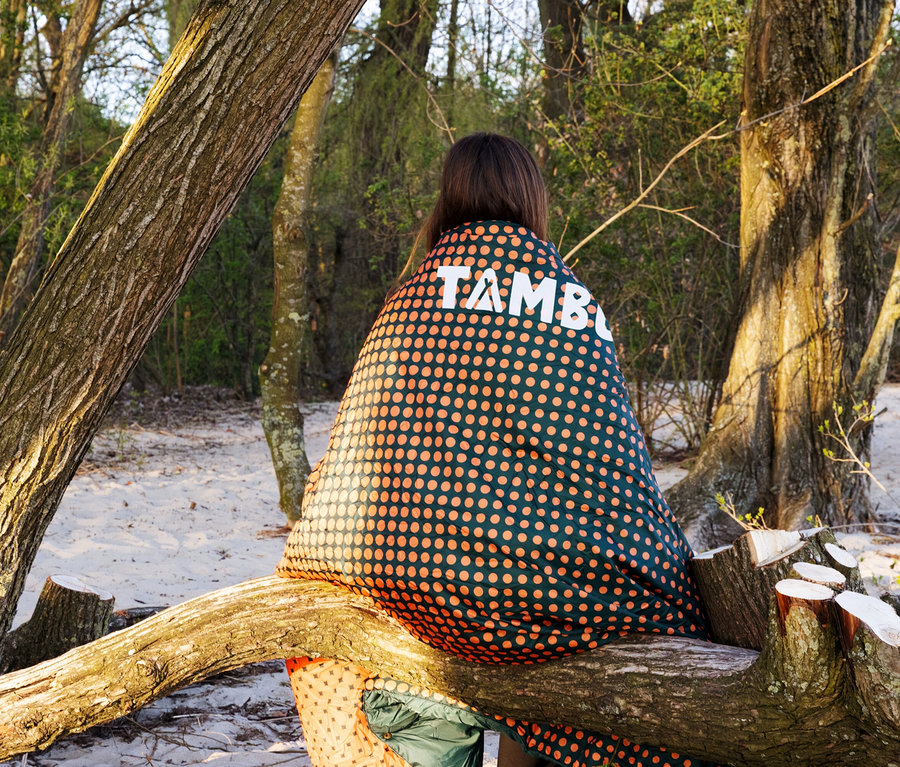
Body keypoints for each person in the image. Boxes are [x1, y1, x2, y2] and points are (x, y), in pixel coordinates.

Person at [276, 132, 716, 767]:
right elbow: (618, 474)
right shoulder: (577, 306)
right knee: (563, 698)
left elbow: (360, 450)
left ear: (447, 199)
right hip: (563, 608)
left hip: (421, 605)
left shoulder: (414, 299)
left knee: (407, 699)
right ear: (533, 200)